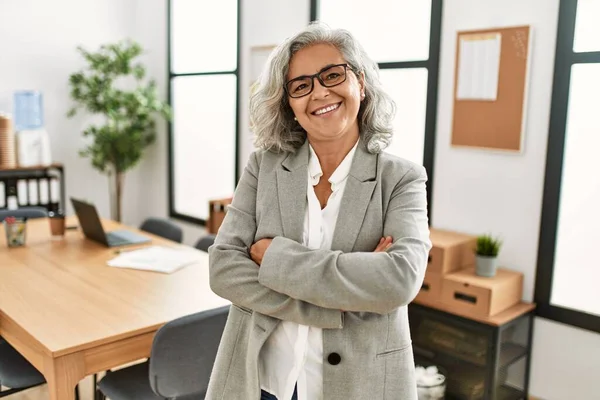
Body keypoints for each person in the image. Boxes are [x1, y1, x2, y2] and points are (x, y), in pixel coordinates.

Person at [206, 21, 432, 400]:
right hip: (261, 380)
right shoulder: (264, 167)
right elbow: (223, 270)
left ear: (360, 82)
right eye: (301, 85)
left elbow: (398, 280)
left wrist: (274, 257)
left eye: (332, 75)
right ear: (289, 105)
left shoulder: (402, 178)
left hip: (359, 385)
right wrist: (346, 298)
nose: (319, 92)